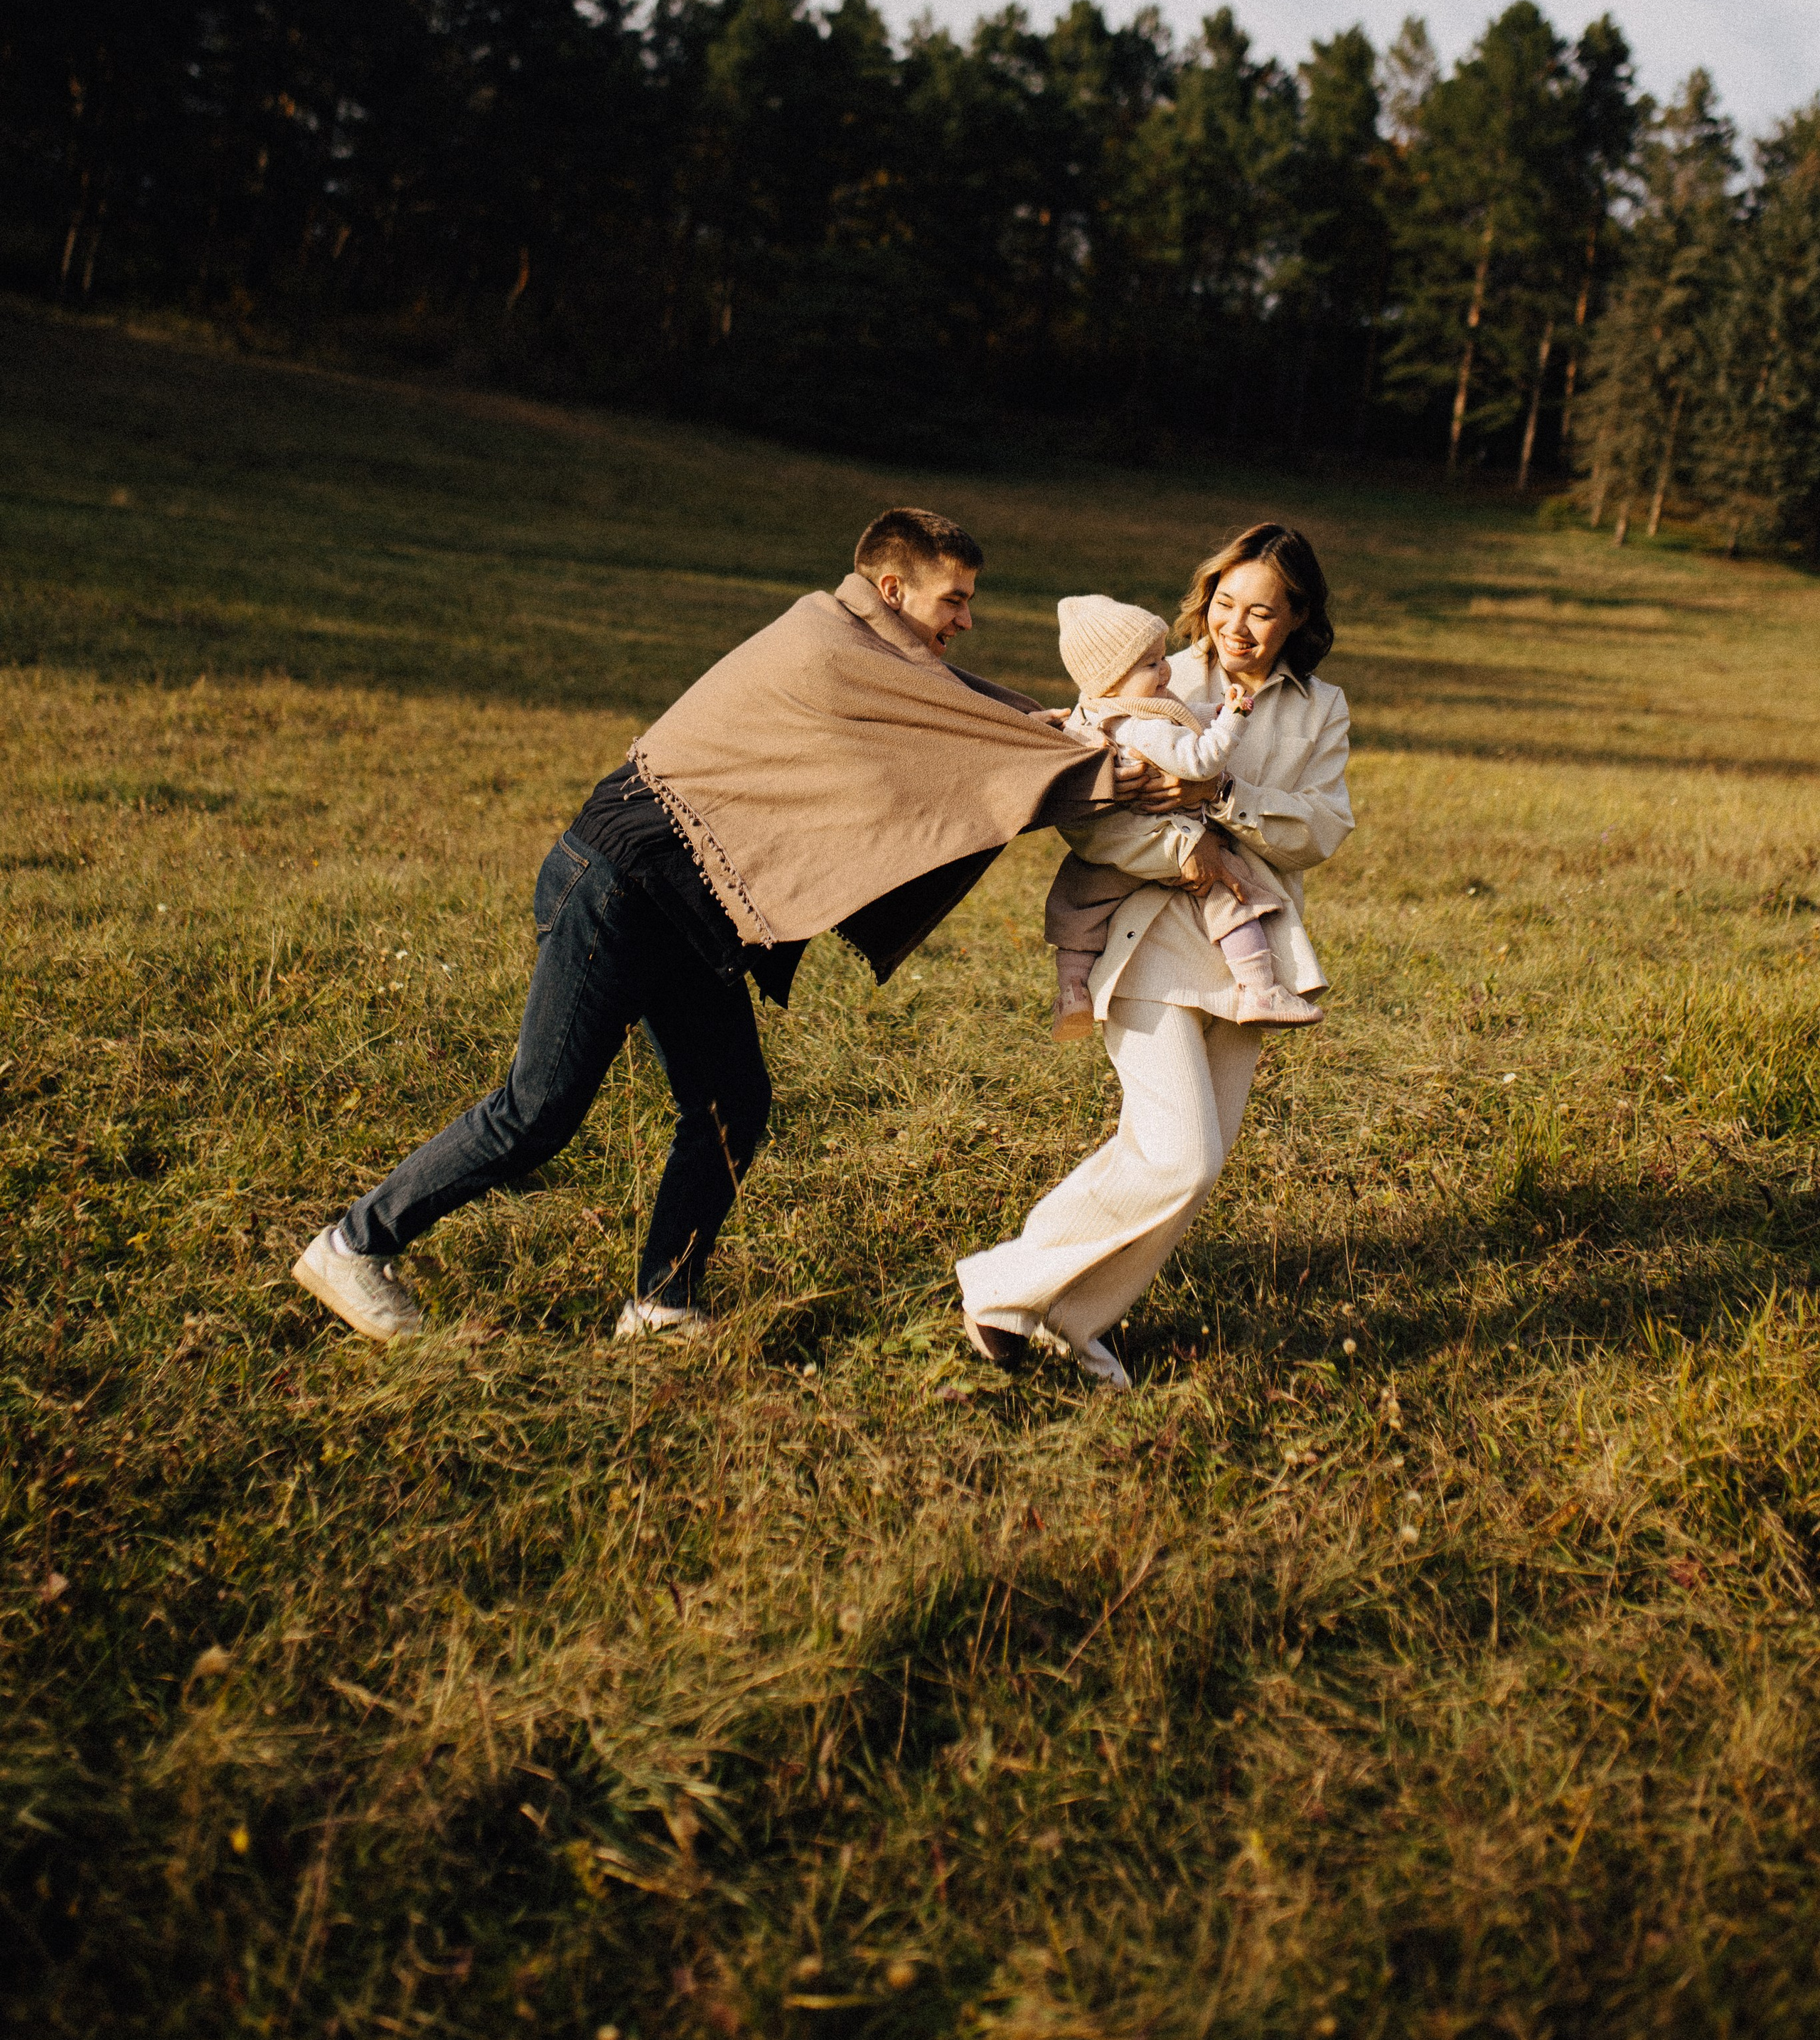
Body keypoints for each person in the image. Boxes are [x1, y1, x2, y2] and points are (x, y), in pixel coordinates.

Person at [291, 507, 1156, 1345]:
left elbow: (969, 721)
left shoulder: (871, 649)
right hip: (620, 889)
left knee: (728, 1106)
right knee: (537, 1114)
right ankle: (353, 1246)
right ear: (892, 589)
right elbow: (964, 754)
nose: (966, 621)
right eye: (953, 601)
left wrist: (1065, 742)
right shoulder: (830, 645)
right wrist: (1113, 768)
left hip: (688, 910)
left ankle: (664, 1303)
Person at [956, 522, 1352, 1391]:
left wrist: (1227, 800)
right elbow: (1085, 817)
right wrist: (1182, 852)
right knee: (1183, 1155)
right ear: (1202, 599)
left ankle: (1076, 1321)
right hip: (1143, 945)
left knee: (1180, 1164)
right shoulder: (1152, 676)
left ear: (1298, 618)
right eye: (1223, 604)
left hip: (1250, 955)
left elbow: (1321, 829)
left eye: (1261, 612)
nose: (1236, 627)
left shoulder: (1321, 709)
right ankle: (999, 1286)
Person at [1044, 591, 1322, 1039]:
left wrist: (1208, 710)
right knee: (1231, 895)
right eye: (1150, 665)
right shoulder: (1141, 728)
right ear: (1112, 677)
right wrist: (1233, 716)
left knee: (1079, 906)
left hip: (1109, 852)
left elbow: (1180, 711)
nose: (1165, 670)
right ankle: (1259, 987)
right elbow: (1200, 762)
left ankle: (1073, 991)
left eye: (1161, 658)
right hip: (1168, 839)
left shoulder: (1094, 713)